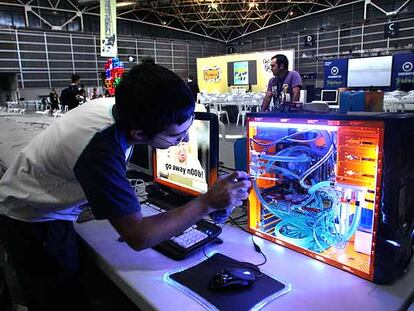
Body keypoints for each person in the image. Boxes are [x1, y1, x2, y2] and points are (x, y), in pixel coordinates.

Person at [0, 62, 251, 310]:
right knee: (61, 299)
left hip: (35, 198)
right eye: (176, 136)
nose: (185, 139)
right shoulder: (101, 150)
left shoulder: (121, 109)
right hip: (33, 220)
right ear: (139, 134)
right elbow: (139, 236)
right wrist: (206, 203)